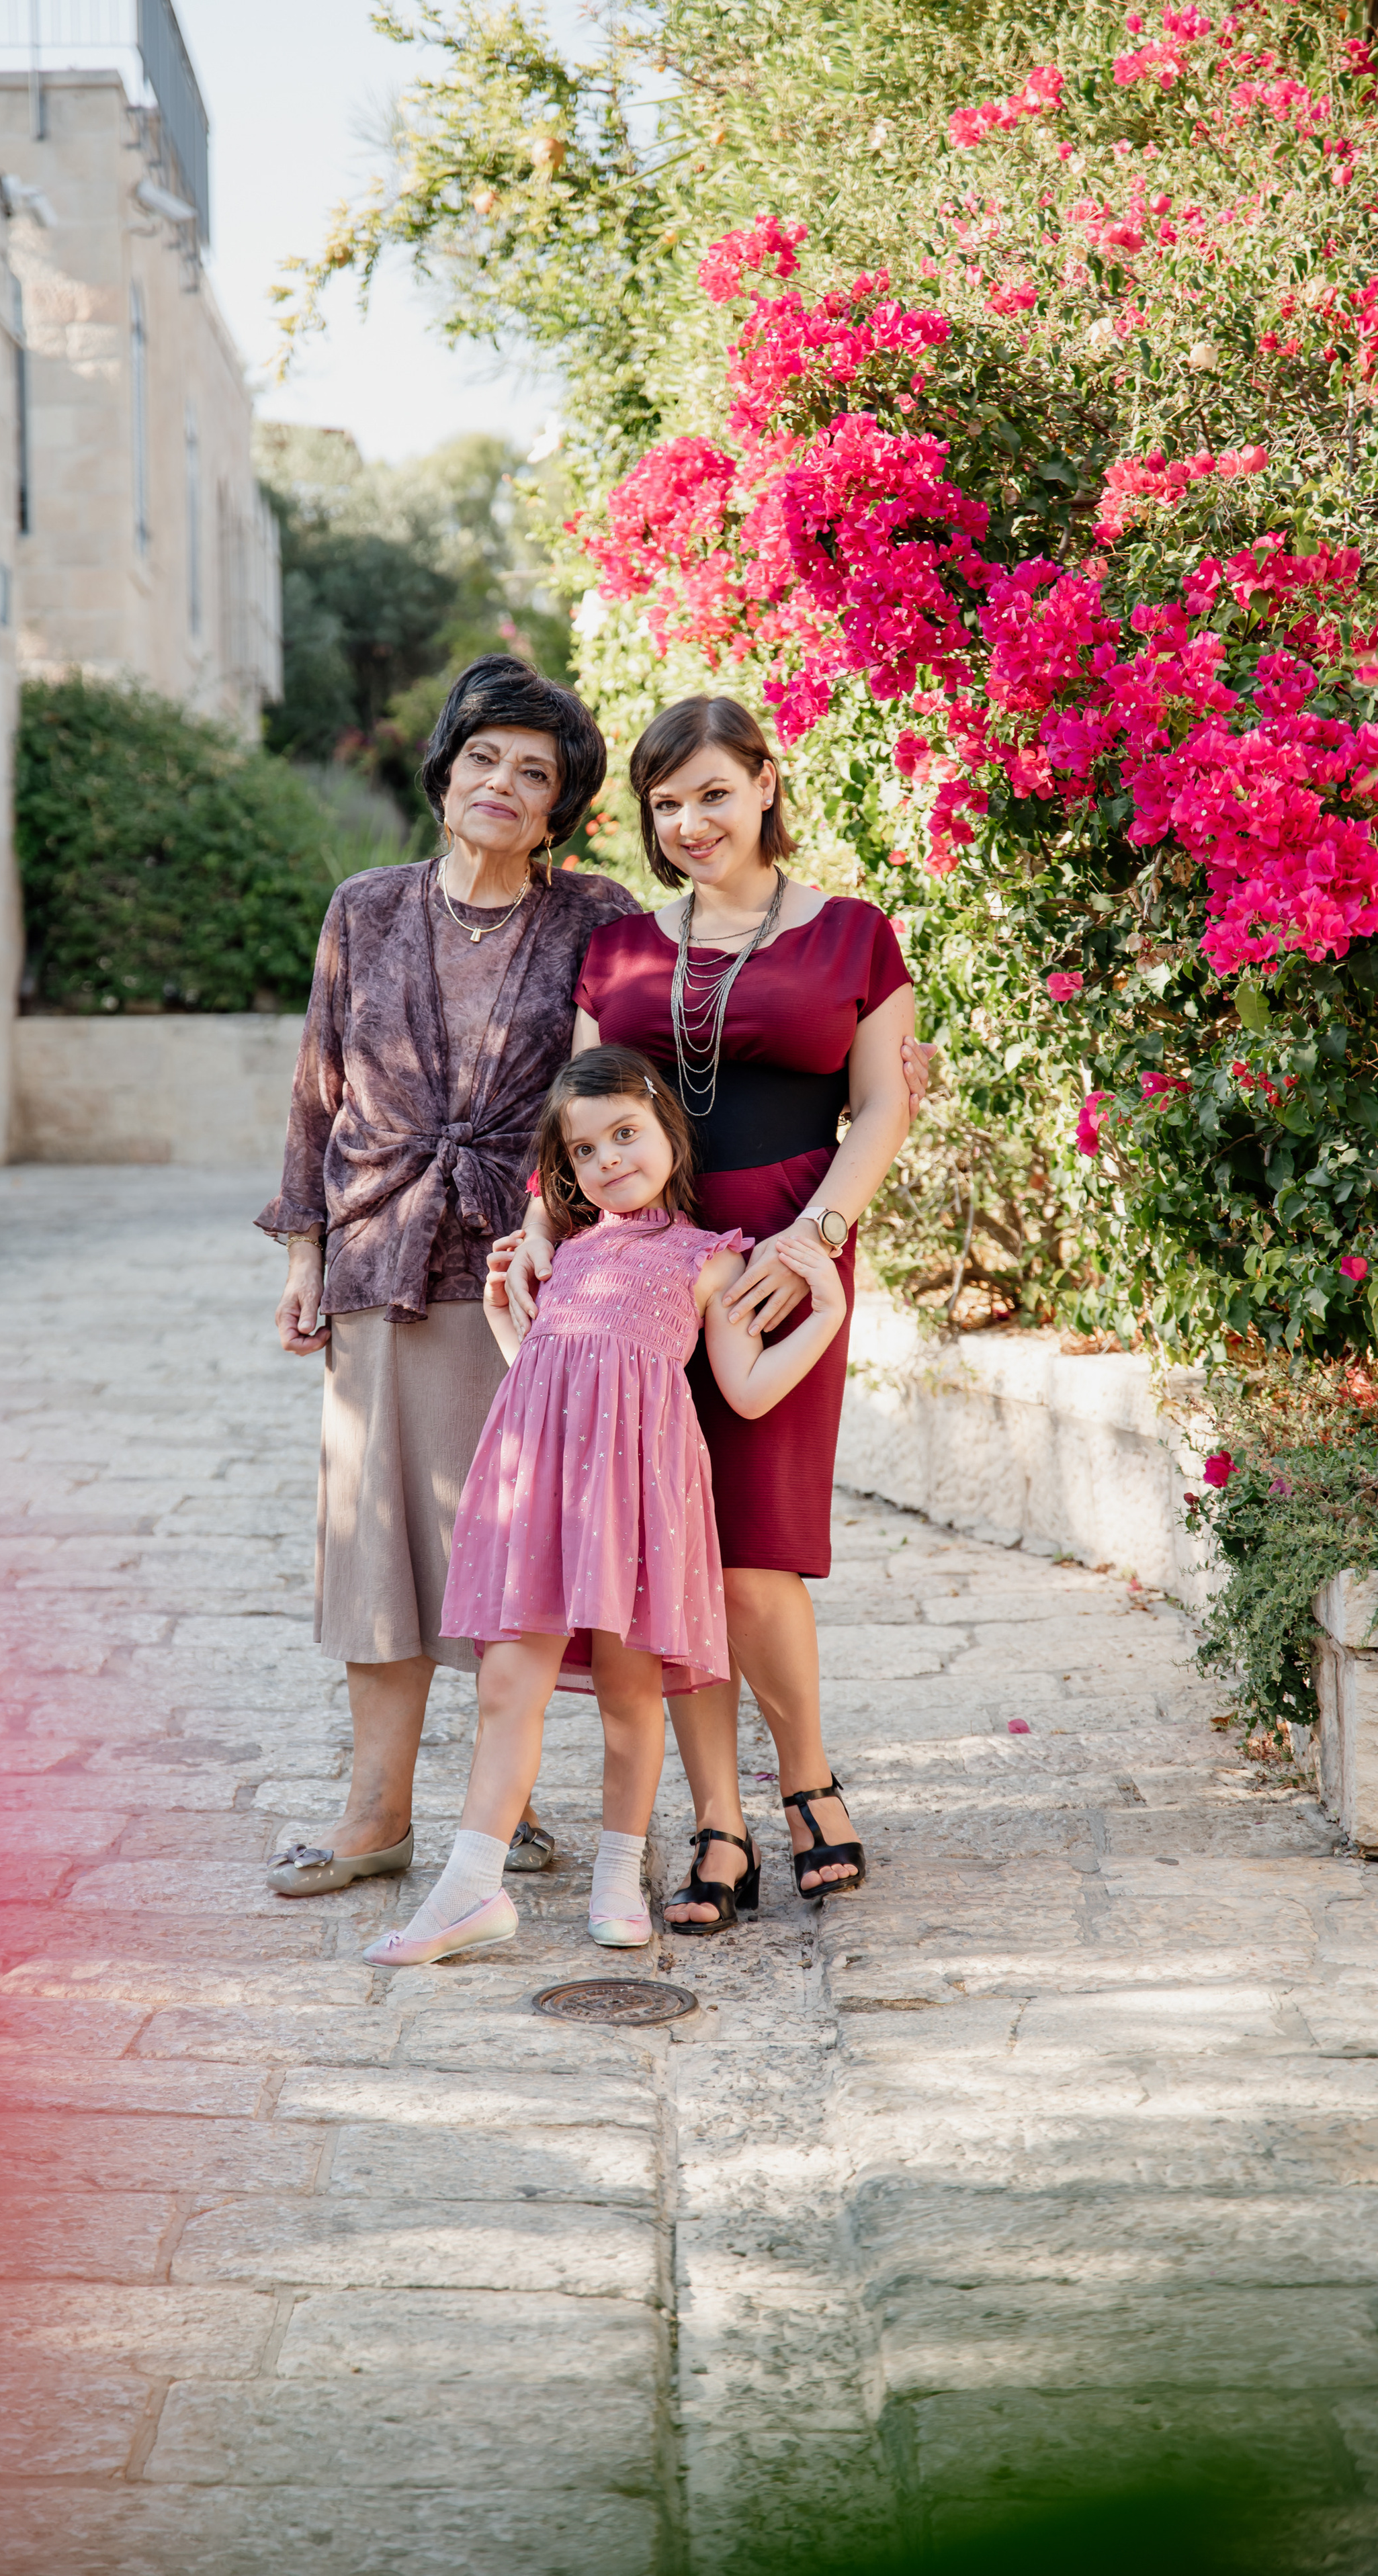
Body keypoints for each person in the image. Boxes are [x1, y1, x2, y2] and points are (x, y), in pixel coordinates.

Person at [502, 695, 916, 1929]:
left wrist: (817, 1235)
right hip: (635, 1272)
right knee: (664, 1558)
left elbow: (886, 1106)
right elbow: (576, 1106)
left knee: (754, 1556)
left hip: (786, 1257)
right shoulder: (623, 949)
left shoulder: (854, 936)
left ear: (768, 786)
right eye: (667, 803)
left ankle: (811, 1789)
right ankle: (718, 1825)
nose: (690, 822)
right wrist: (541, 1226)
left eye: (714, 794)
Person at [257, 656, 640, 1898]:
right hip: (382, 1253)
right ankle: (377, 1817)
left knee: (510, 1546)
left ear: (557, 809)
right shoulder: (365, 907)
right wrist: (307, 1250)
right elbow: (319, 1089)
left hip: (530, 1278)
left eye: (535, 773)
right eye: (485, 758)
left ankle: (503, 1801)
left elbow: (632, 1085)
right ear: (446, 773)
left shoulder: (596, 918)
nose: (503, 784)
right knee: (380, 1550)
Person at [363, 1045, 849, 1969]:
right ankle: (471, 1889)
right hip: (536, 1490)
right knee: (510, 1683)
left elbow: (744, 1392)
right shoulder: (565, 1253)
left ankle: (619, 1876)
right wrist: (513, 1312)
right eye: (585, 1151)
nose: (610, 1159)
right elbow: (547, 1376)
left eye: (626, 1134)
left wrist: (821, 1314)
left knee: (632, 1697)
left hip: (635, 1508)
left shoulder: (709, 1262)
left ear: (669, 1130)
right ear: (568, 1172)